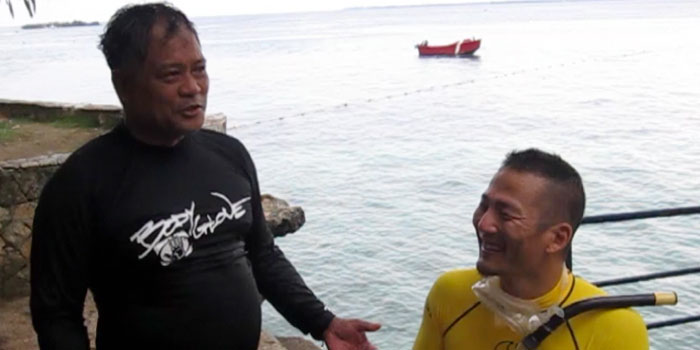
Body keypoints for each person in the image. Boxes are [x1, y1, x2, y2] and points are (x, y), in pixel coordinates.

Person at [29, 3, 380, 350]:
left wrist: (322, 322)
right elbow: (56, 313)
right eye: (172, 74)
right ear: (124, 83)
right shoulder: (80, 185)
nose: (193, 87)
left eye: (199, 69)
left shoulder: (228, 155)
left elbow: (262, 255)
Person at [413, 149, 648, 350]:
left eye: (505, 214)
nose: (484, 223)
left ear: (557, 238)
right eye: (484, 206)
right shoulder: (450, 293)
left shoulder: (614, 326)